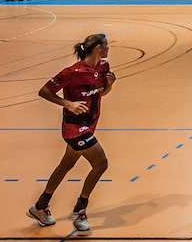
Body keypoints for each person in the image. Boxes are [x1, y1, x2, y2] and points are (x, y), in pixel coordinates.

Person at [27, 34, 115, 235]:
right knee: (101, 164)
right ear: (98, 48)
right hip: (74, 128)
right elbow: (44, 91)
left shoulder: (103, 66)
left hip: (89, 124)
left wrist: (110, 84)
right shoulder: (72, 72)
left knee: (66, 164)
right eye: (106, 45)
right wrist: (68, 104)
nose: (108, 48)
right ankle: (79, 211)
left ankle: (40, 207)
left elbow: (101, 93)